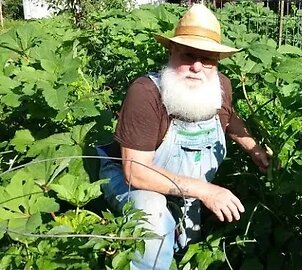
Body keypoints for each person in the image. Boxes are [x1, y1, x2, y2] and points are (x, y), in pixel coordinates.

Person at [96, 4, 269, 270]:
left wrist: (254, 148)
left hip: (184, 185)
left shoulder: (220, 85)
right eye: (188, 55)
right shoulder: (146, 93)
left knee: (185, 249)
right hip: (127, 178)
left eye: (208, 59)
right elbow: (136, 173)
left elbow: (228, 117)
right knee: (153, 213)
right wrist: (205, 190)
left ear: (217, 61)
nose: (197, 67)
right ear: (171, 51)